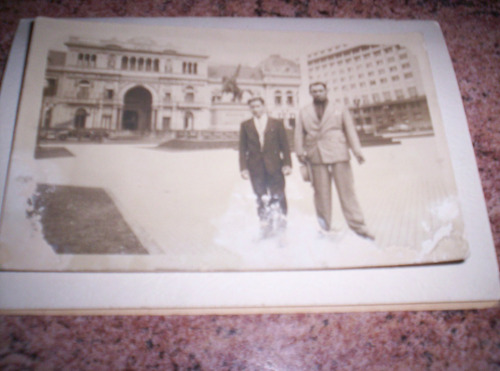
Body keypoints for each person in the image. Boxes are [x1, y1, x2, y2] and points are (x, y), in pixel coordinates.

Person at [294, 82, 374, 239]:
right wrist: (299, 152)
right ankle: (324, 227)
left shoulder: (340, 108)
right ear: (311, 93)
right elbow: (298, 133)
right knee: (321, 194)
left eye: (320, 90)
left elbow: (349, 129)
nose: (317, 93)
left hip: (338, 152)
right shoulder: (304, 112)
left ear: (327, 90)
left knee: (347, 191)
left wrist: (357, 151)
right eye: (314, 91)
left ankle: (359, 226)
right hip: (315, 154)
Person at [239, 97, 292, 237]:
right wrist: (243, 168)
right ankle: (266, 228)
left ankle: (281, 228)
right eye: (252, 107)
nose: (256, 109)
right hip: (255, 167)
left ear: (264, 106)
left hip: (275, 166)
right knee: (261, 197)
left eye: (258, 106)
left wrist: (287, 164)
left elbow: (285, 146)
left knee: (278, 196)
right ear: (250, 109)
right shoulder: (246, 125)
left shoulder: (277, 123)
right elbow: (242, 148)